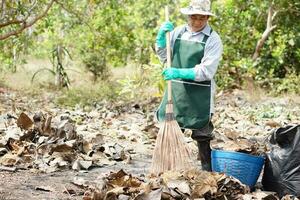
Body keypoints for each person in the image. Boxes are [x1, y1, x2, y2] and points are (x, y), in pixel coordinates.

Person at [155, 0, 223, 171]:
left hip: (199, 96)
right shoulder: (177, 32)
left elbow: (206, 71)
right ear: (188, 16)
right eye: (194, 17)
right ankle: (169, 170)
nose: (197, 22)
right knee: (171, 129)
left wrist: (179, 73)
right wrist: (161, 40)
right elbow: (165, 57)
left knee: (202, 134)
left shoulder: (213, 39)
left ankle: (206, 171)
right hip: (176, 92)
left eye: (202, 18)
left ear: (207, 18)